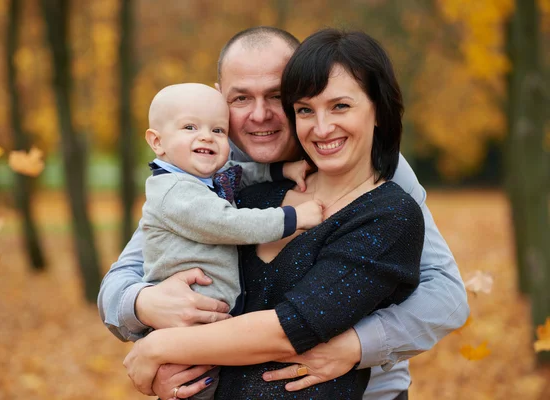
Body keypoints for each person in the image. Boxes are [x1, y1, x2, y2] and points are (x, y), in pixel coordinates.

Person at [98, 26, 469, 400]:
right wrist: (145, 306)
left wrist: (354, 346)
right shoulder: (213, 170)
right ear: (219, 98)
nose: (260, 115)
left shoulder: (373, 169)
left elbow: (446, 295)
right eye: (241, 98)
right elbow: (124, 278)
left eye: (276, 95)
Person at [139, 82, 323, 399]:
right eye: (189, 127)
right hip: (187, 325)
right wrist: (293, 218)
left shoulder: (202, 178)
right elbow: (228, 223)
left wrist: (282, 171)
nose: (206, 136)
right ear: (157, 141)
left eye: (218, 130)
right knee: (192, 389)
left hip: (212, 325)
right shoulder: (174, 192)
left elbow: (241, 173)